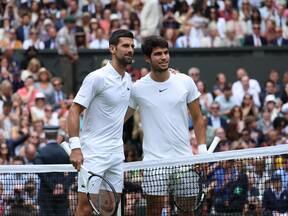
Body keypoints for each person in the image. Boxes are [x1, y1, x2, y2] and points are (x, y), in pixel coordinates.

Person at [125, 36, 207, 216]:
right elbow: (120, 119)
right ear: (147, 58)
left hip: (184, 161)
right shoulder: (137, 88)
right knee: (153, 211)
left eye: (165, 53)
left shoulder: (185, 81)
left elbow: (198, 118)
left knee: (187, 211)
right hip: (154, 163)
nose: (163, 57)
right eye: (157, 54)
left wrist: (202, 150)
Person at [67, 29, 134, 216]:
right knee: (85, 207)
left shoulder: (128, 80)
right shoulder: (97, 78)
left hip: (116, 154)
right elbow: (74, 110)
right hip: (93, 152)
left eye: (132, 46)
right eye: (125, 46)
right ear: (112, 49)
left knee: (110, 208)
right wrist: (75, 147)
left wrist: (169, 73)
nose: (130, 50)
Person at [34, 126, 71, 216]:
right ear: (56, 135)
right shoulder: (65, 151)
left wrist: (53, 187)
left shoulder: (41, 151)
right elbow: (74, 170)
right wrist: (63, 186)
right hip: (62, 194)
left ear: (45, 136)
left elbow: (40, 172)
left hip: (46, 193)